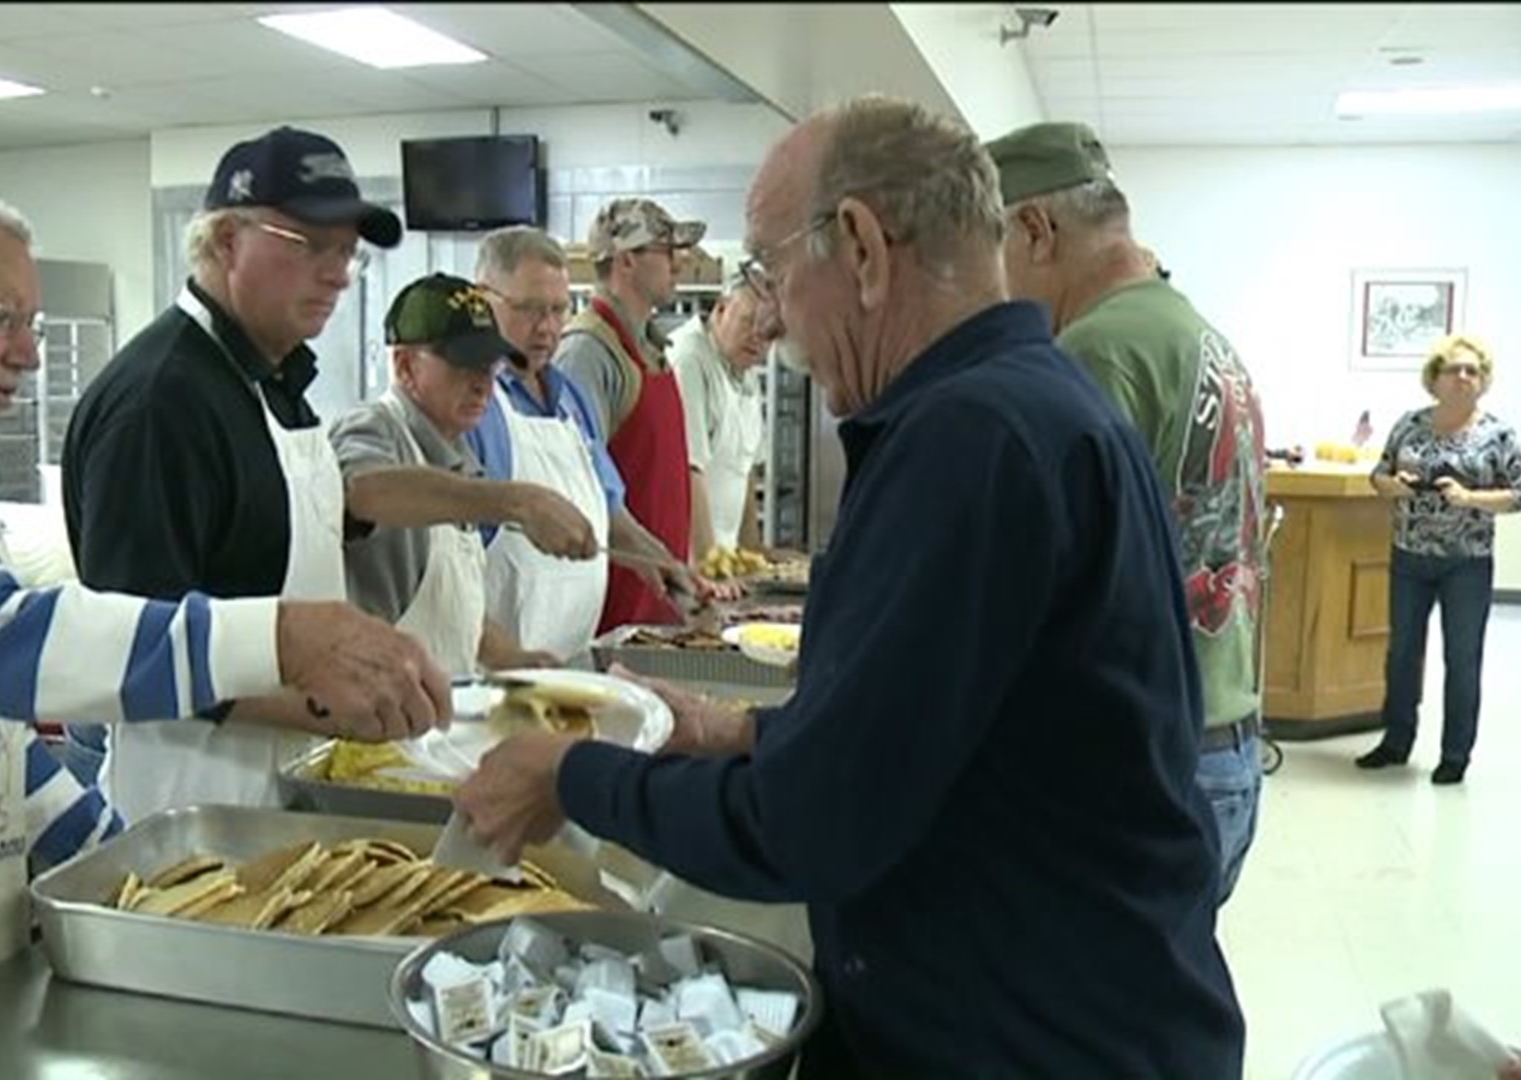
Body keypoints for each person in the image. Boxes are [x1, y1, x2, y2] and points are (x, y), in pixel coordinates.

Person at [455, 96, 1244, 1076]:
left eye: (775, 269)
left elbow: (812, 826)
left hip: (1034, 1037)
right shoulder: (1028, 405)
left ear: (864, 248)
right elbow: (942, 731)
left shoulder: (973, 441)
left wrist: (571, 777)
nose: (775, 318)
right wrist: (735, 731)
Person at [0, 185, 446, 981]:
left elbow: (0, 750)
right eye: (0, 317)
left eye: (34, 325)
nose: (25, 354)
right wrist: (286, 639)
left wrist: (127, 871)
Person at [60, 126, 446, 820]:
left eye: (347, 254)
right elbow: (129, 646)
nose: (335, 272)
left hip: (279, 786)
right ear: (225, 240)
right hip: (192, 806)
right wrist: (334, 704)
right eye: (309, 246)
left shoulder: (271, 378)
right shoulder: (162, 400)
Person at [986, 120, 1269, 903]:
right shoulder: (1196, 332)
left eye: (992, 254)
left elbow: (1048, 576)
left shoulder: (1096, 350)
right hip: (1226, 743)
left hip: (1150, 760)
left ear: (1036, 229)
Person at [328, 272, 597, 675]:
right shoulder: (372, 428)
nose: (482, 384)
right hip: (374, 716)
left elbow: (454, 609)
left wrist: (510, 657)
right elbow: (364, 492)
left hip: (440, 712)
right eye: (465, 365)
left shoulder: (460, 455)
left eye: (489, 367)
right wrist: (520, 502)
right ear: (404, 366)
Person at [465, 227, 702, 659]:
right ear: (484, 299)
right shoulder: (474, 406)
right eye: (530, 310)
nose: (548, 328)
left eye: (558, 310)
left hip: (575, 659)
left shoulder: (569, 399)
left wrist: (666, 566)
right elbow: (449, 568)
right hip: (498, 673)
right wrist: (505, 658)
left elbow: (609, 511)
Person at [1356, 334, 1521, 784]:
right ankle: (1396, 742)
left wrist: (1471, 497)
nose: (1464, 377)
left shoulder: (1498, 434)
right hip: (1409, 556)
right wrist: (1396, 485)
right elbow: (1380, 475)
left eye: (1473, 370)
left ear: (1483, 381)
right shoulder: (1410, 425)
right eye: (1455, 369)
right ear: (1434, 379)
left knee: (1463, 657)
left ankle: (1455, 755)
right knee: (1401, 655)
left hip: (1467, 563)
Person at [555, 198, 707, 630]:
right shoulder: (587, 353)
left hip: (657, 605)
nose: (680, 263)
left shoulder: (653, 348)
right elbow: (579, 485)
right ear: (626, 261)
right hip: (614, 614)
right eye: (667, 251)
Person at [669, 277, 770, 557]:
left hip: (724, 557)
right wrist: (707, 565)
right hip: (689, 558)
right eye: (748, 321)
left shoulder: (744, 367)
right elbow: (688, 470)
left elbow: (746, 468)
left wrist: (752, 550)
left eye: (768, 332)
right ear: (721, 309)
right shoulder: (689, 359)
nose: (757, 338)